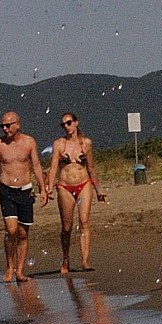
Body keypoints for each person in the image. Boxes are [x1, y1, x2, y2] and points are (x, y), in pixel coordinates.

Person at [0, 111, 47, 283]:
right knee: (11, 230)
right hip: (7, 191)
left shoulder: (29, 142)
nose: (5, 129)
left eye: (8, 125)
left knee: (22, 233)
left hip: (26, 191)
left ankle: (20, 271)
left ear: (17, 124)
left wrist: (43, 189)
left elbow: (36, 165)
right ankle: (9, 266)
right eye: (2, 126)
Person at [47, 111, 105, 273]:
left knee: (84, 222)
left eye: (69, 122)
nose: (66, 126)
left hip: (84, 184)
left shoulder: (86, 143)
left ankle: (85, 260)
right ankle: (65, 260)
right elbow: (53, 168)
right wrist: (49, 188)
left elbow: (91, 168)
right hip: (65, 186)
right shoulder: (59, 144)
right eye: (63, 124)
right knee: (66, 227)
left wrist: (98, 189)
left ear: (76, 123)